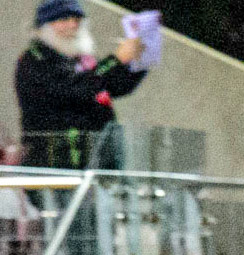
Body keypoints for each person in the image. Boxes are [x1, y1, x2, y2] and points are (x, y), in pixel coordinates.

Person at [15, 0, 147, 169]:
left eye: (77, 20)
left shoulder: (81, 60)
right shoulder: (33, 60)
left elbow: (115, 86)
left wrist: (137, 63)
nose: (73, 25)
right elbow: (73, 90)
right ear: (44, 26)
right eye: (63, 20)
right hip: (56, 165)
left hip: (96, 163)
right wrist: (116, 59)